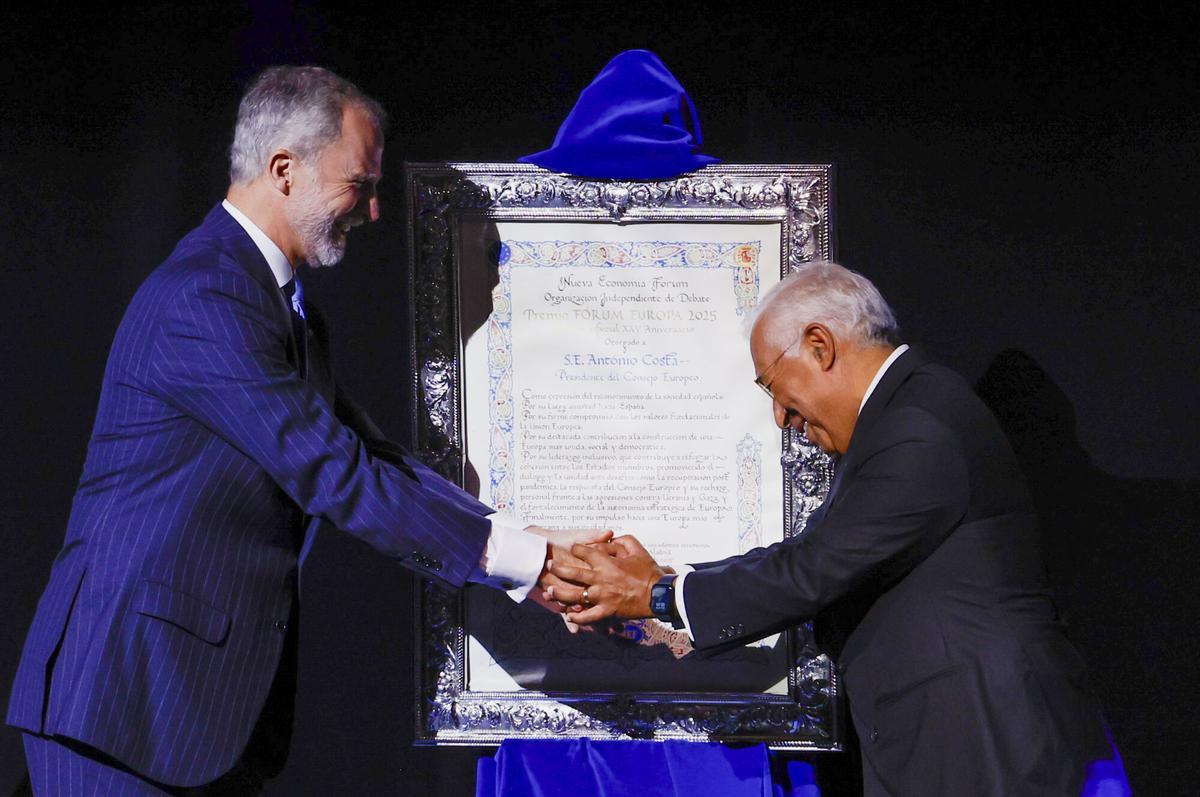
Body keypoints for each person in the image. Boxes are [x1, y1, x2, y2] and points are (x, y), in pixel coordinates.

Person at [6, 65, 580, 795]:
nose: (372, 212)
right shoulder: (208, 296)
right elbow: (335, 472)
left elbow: (370, 455)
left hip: (188, 710)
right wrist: (529, 565)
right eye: (359, 185)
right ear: (284, 170)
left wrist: (524, 539)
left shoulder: (271, 299)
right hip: (124, 704)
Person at [545, 262, 1120, 795]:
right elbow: (808, 553)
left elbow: (812, 570)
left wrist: (657, 595)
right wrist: (667, 580)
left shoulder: (919, 426)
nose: (780, 417)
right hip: (952, 737)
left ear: (820, 346)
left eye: (772, 385)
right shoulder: (902, 418)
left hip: (984, 741)